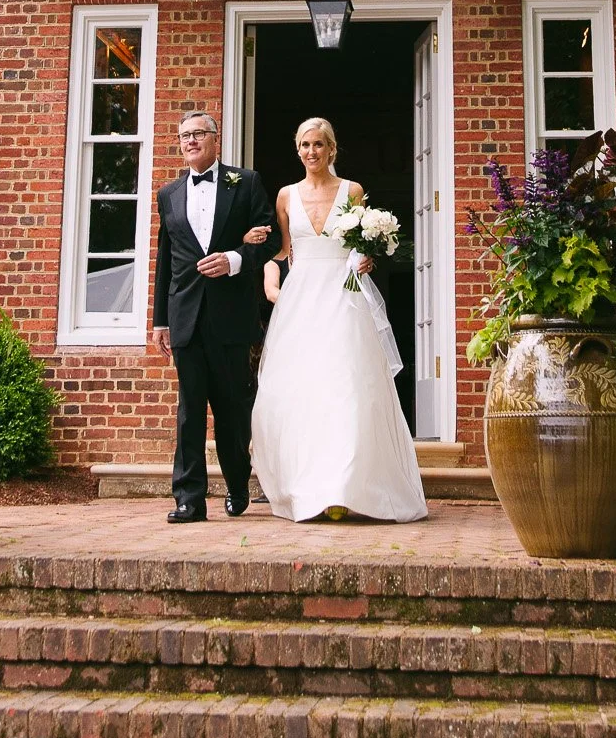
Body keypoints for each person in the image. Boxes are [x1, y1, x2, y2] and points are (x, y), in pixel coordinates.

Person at [250, 116, 427, 524]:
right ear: (298, 151)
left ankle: (343, 486)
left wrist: (366, 258)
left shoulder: (353, 191)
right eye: (304, 145)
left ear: (332, 149)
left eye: (319, 145)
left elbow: (359, 246)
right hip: (300, 302)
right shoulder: (285, 196)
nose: (311, 152)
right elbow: (284, 250)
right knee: (298, 390)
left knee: (345, 386)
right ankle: (307, 486)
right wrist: (269, 275)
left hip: (343, 297)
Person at [151, 110, 277, 523]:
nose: (190, 141)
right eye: (184, 135)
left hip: (230, 314)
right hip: (185, 314)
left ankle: (238, 485)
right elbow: (166, 260)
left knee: (231, 409)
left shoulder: (246, 183)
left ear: (215, 139)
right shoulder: (168, 194)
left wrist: (236, 259)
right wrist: (160, 321)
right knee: (189, 409)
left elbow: (270, 236)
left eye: (198, 134)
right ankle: (188, 499)